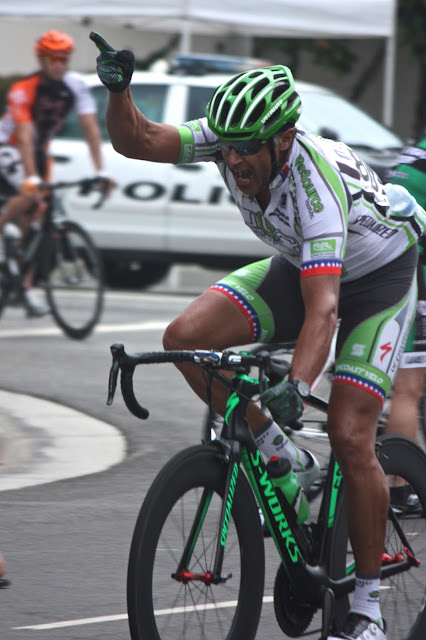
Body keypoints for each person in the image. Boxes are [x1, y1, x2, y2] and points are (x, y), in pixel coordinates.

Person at [90, 31, 426, 640]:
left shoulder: (315, 189)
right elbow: (137, 139)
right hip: (304, 266)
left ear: (284, 140)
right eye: (227, 148)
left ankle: (368, 609)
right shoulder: (231, 140)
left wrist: (297, 387)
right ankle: (278, 453)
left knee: (350, 432)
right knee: (185, 338)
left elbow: (324, 311)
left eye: (247, 149)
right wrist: (119, 92)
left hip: (377, 279)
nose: (235, 159)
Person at [0, 30, 111, 317]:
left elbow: (90, 128)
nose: (59, 64)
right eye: (53, 59)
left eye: (64, 59)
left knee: (40, 219)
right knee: (32, 194)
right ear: (42, 59)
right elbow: (24, 135)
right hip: (9, 146)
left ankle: (25, 288)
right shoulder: (24, 88)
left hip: (41, 150)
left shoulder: (75, 86)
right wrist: (31, 178)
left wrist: (100, 170)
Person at [383, 130, 426, 514]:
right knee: (408, 388)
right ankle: (399, 489)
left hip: (389, 263)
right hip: (414, 273)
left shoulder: (418, 148)